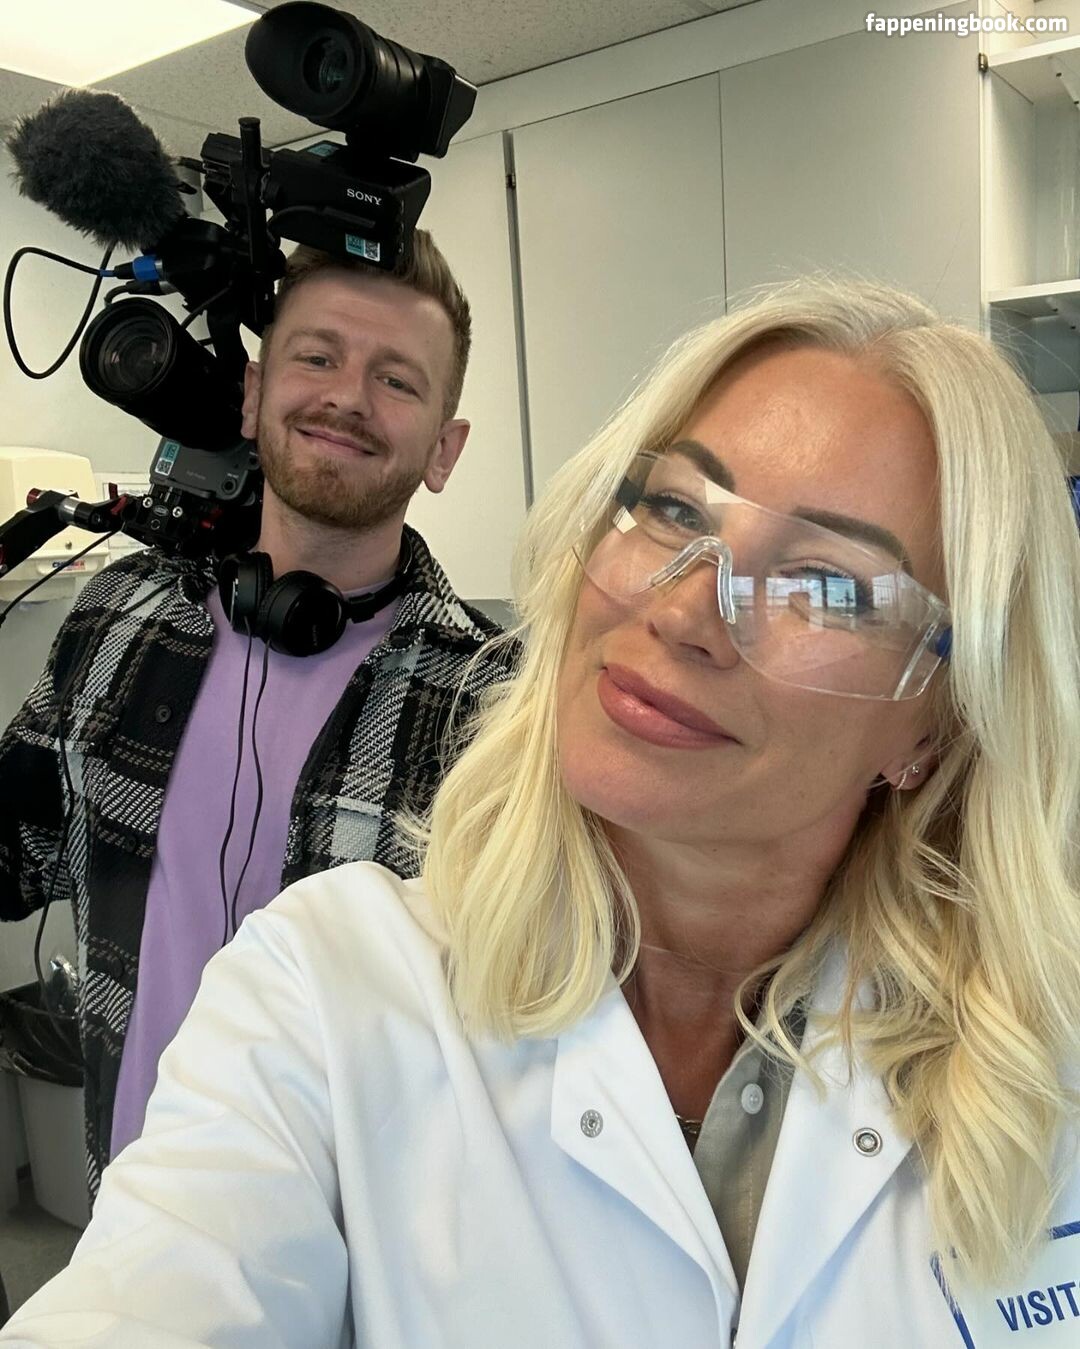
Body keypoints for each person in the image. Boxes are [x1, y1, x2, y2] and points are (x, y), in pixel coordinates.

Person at [3, 278, 1079, 1348]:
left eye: (827, 584)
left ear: (939, 722)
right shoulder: (326, 985)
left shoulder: (1049, 1062)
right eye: (674, 509)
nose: (684, 610)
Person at [0, 230, 514, 1205]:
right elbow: (15, 849)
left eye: (396, 379)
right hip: (128, 1220)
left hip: (368, 1250)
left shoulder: (499, 709)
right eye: (316, 357)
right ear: (251, 392)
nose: (348, 397)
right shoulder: (117, 616)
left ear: (443, 451)